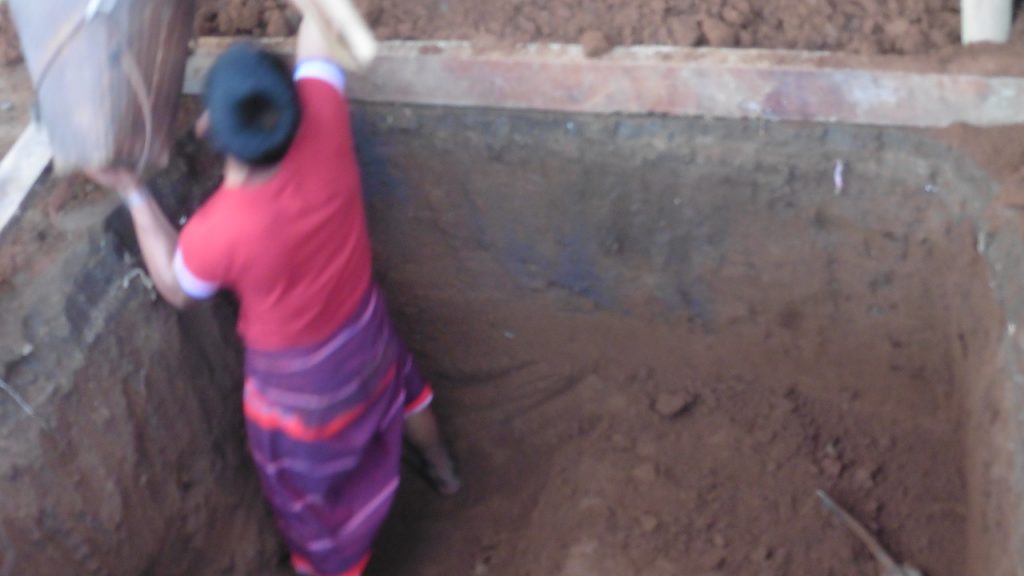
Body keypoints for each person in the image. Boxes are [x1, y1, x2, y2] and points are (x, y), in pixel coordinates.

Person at [87, 7, 461, 576]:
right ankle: (444, 470)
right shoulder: (324, 115)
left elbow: (177, 287)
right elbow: (320, 27)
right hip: (364, 330)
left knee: (312, 504)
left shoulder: (219, 230)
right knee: (402, 393)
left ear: (208, 128)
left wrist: (132, 190)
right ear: (290, 100)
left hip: (302, 390)